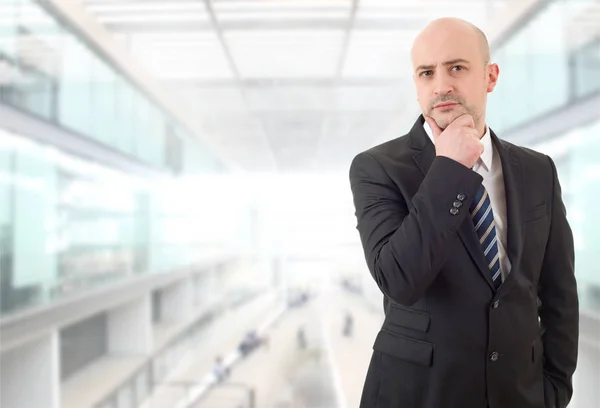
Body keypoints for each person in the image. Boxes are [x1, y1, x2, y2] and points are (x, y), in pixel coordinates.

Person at [348, 17, 578, 408]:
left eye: (456, 67)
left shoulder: (538, 170)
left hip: (521, 395)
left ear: (490, 77)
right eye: (426, 73)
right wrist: (450, 170)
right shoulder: (377, 168)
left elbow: (558, 293)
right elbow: (399, 279)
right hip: (418, 394)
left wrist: (554, 390)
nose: (441, 86)